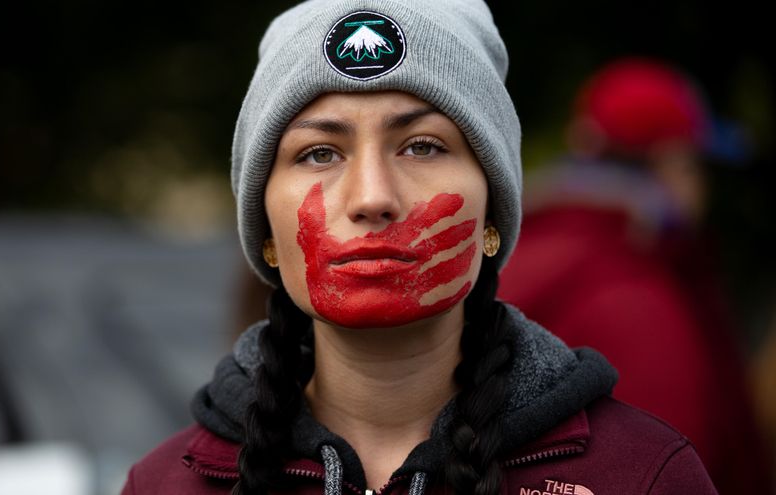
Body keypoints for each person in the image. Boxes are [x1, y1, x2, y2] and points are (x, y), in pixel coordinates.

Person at [122, 2, 716, 493]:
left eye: (423, 146)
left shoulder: (643, 474)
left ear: (493, 214)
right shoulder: (163, 484)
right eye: (319, 153)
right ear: (266, 234)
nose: (373, 197)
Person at [498, 57, 771, 494]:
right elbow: (667, 471)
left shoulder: (517, 254)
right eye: (697, 166)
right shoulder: (640, 299)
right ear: (672, 165)